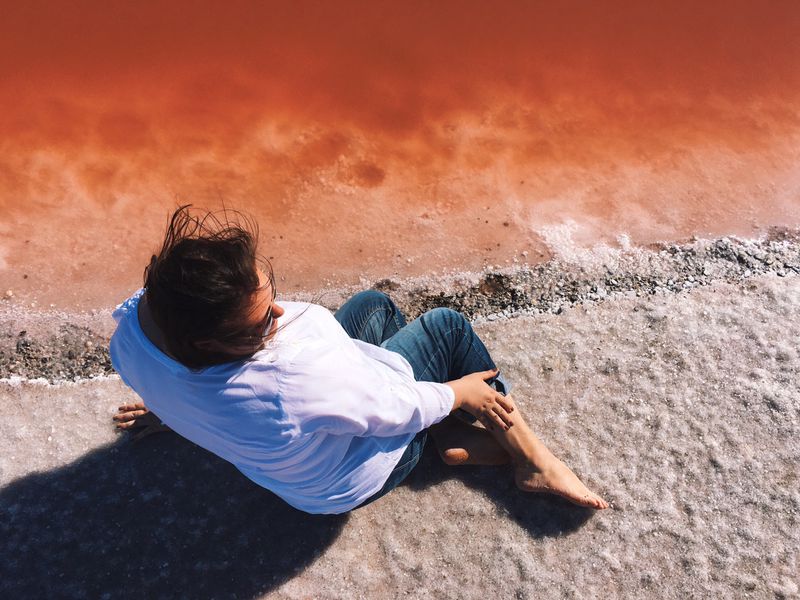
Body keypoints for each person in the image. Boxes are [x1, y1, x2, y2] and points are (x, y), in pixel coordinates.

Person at [111, 206, 608, 514]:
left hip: (293, 470)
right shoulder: (295, 379)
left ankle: (450, 438)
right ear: (209, 343)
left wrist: (170, 411)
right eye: (259, 322)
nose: (278, 313)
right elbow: (394, 409)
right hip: (348, 481)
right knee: (446, 328)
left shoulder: (133, 338)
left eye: (271, 292)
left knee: (373, 308)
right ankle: (532, 460)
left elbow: (190, 384)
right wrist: (459, 393)